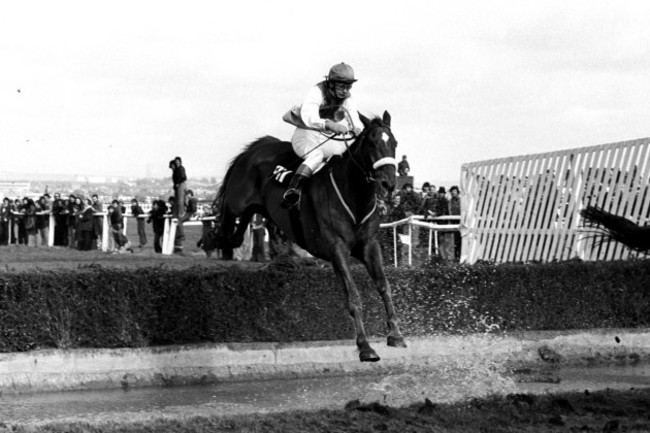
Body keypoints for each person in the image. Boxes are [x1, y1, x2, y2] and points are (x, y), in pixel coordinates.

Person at [281, 62, 363, 207]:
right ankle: (293, 190)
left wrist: (356, 128)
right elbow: (309, 115)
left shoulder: (347, 97)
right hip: (306, 132)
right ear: (331, 83)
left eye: (348, 86)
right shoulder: (317, 91)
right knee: (316, 156)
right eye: (342, 86)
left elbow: (353, 114)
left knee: (344, 154)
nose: (345, 90)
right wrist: (329, 124)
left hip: (323, 136)